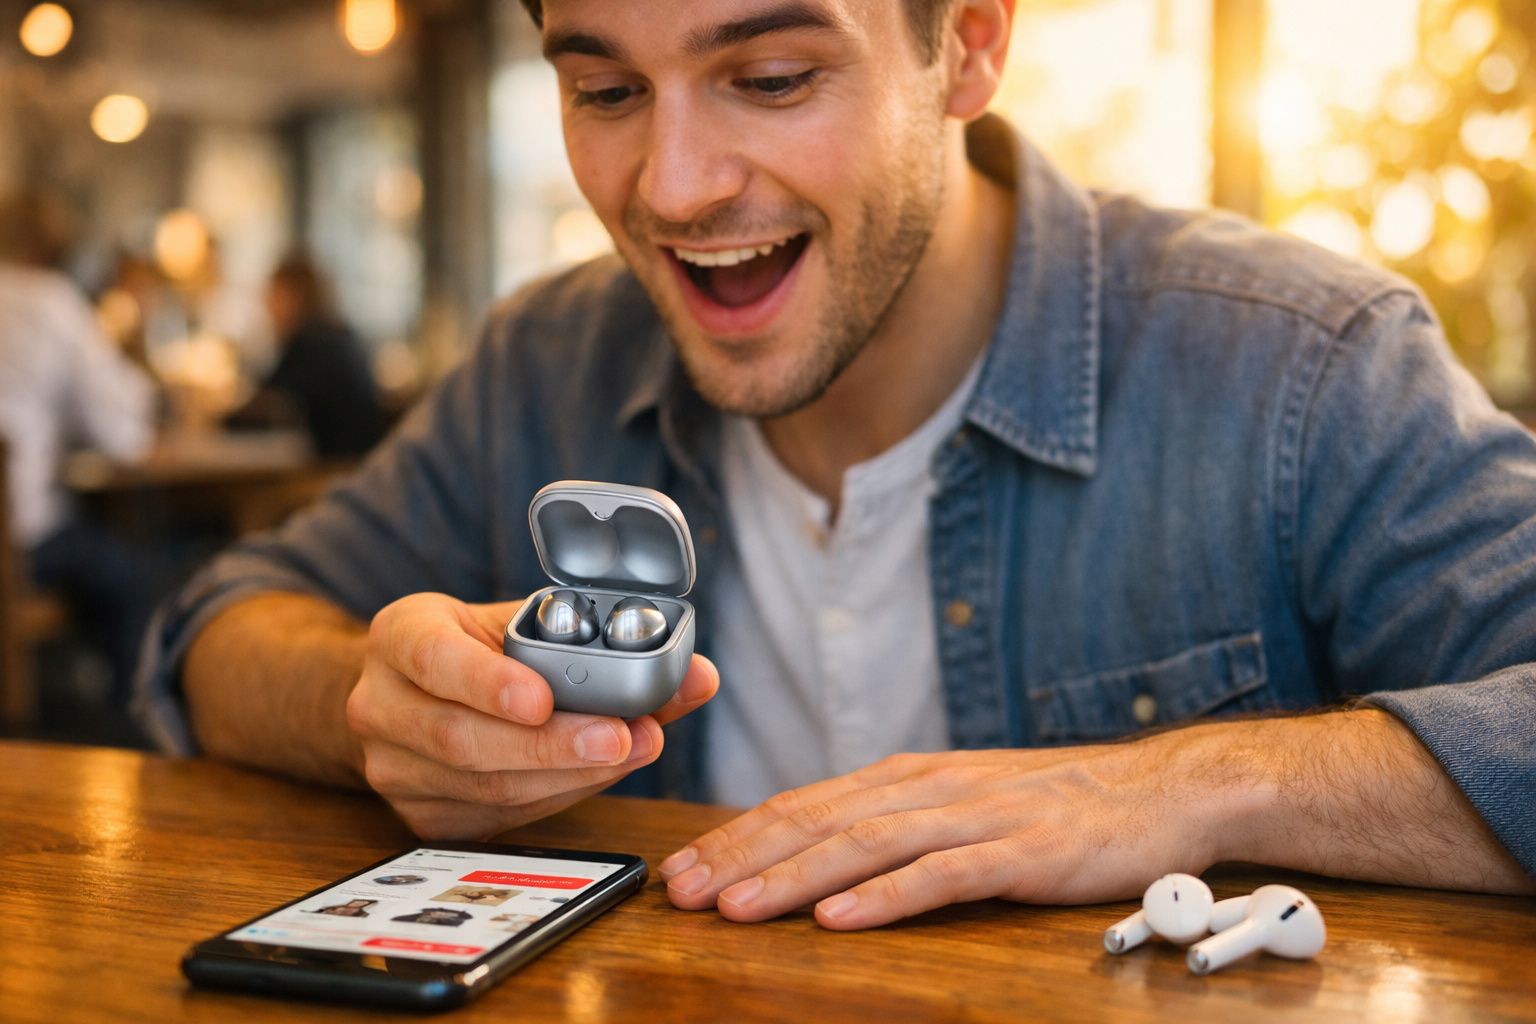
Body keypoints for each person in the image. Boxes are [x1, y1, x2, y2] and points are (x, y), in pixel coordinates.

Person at [138, 0, 1536, 934]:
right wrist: (372, 707)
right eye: (608, 89)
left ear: (970, 45)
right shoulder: (547, 363)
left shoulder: (1299, 364)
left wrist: (1178, 786)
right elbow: (218, 627)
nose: (673, 186)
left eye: (771, 78)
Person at [0, 190, 157, 705]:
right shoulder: (49, 300)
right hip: (19, 545)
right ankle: (131, 735)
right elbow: (123, 435)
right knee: (137, 576)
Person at [224, 253, 389, 459]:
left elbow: (266, 402)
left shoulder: (313, 343)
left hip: (328, 472)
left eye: (275, 294)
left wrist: (220, 420)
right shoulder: (342, 334)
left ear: (296, 295)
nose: (268, 305)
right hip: (359, 463)